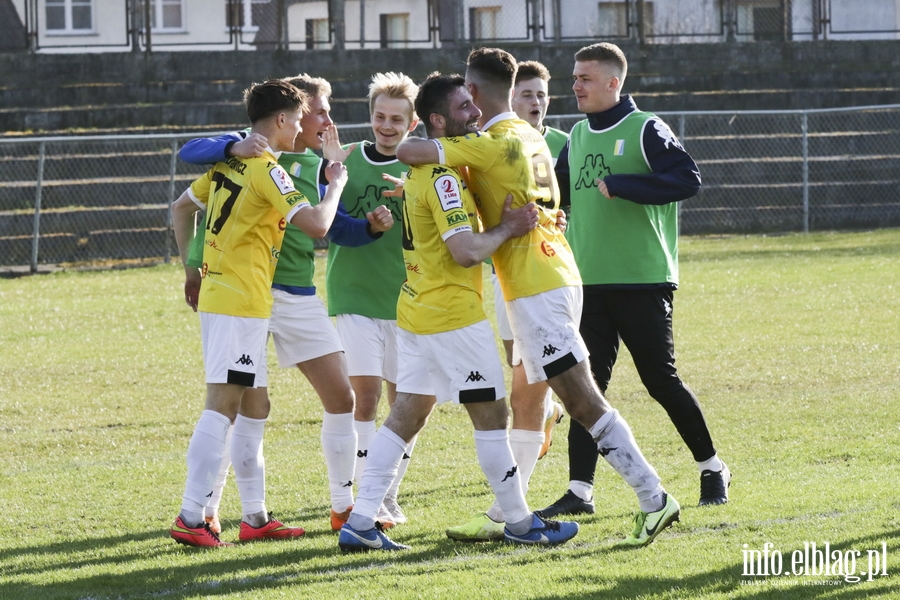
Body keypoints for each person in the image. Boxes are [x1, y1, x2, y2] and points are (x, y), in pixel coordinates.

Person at [397, 48, 681, 548]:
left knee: (579, 399)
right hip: (554, 271)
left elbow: (411, 152)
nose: (465, 104)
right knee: (529, 398)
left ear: (478, 94)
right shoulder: (532, 135)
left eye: (467, 94)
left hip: (537, 285)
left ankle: (654, 498)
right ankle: (505, 511)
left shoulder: (491, 143)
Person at [337, 72, 579, 552]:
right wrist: (510, 228)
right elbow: (466, 251)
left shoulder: (429, 172)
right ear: (438, 120)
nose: (476, 113)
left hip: (417, 311)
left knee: (407, 413)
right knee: (491, 413)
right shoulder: (444, 177)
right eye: (465, 107)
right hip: (451, 317)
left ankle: (360, 521)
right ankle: (519, 521)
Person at [178, 74, 396, 536]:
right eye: (314, 113)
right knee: (231, 405)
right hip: (244, 295)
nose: (322, 122)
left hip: (280, 296)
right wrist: (192, 267)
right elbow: (190, 163)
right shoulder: (252, 155)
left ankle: (322, 508)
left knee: (333, 396)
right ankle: (201, 512)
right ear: (287, 118)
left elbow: (335, 228)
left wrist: (371, 227)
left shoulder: (305, 164)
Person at [539, 42, 730, 519]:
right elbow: (556, 199)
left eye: (585, 78)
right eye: (574, 77)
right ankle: (580, 491)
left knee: (660, 380)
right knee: (586, 388)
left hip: (643, 279)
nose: (576, 85)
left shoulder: (646, 128)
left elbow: (688, 180)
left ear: (613, 83)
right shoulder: (578, 135)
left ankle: (712, 467)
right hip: (588, 283)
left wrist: (626, 185)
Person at [321, 72, 426, 525]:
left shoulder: (420, 168)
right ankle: (369, 497)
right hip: (354, 295)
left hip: (406, 299)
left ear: (413, 123)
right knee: (364, 396)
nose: (387, 125)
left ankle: (386, 491)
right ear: (371, 117)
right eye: (380, 116)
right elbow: (330, 221)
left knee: (406, 402)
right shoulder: (345, 163)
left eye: (396, 118)